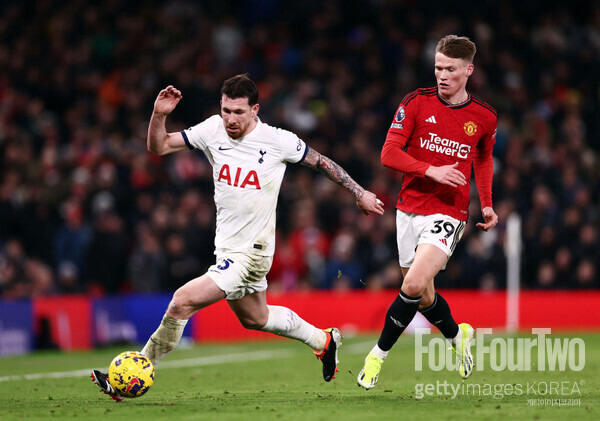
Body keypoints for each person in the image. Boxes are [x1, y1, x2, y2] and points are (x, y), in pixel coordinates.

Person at [91, 74, 384, 401]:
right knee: (256, 318)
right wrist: (159, 115)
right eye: (227, 110)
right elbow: (158, 146)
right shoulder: (212, 129)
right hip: (227, 250)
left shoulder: (277, 140)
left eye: (239, 112)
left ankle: (132, 374)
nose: (231, 118)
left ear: (255, 109)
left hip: (252, 253)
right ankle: (324, 341)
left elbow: (321, 162)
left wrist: (359, 193)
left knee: (181, 301)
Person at [357, 35, 498, 390]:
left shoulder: (483, 117)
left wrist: (488, 202)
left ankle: (377, 356)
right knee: (422, 296)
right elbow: (388, 154)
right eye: (438, 68)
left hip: (449, 212)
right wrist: (430, 170)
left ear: (469, 71)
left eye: (450, 69)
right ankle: (457, 335)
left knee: (413, 283)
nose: (442, 75)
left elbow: (482, 158)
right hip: (408, 209)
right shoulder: (416, 103)